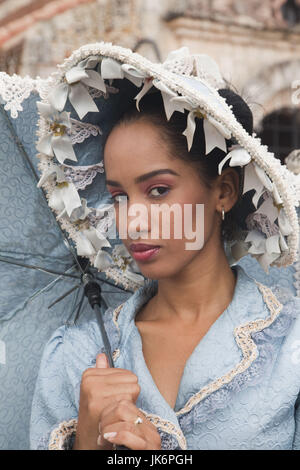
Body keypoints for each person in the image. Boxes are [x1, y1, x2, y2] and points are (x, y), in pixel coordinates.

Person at [29, 44, 300, 450]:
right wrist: (87, 443)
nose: (131, 221)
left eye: (157, 190)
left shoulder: (289, 348)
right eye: (118, 196)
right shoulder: (78, 357)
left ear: (223, 192)